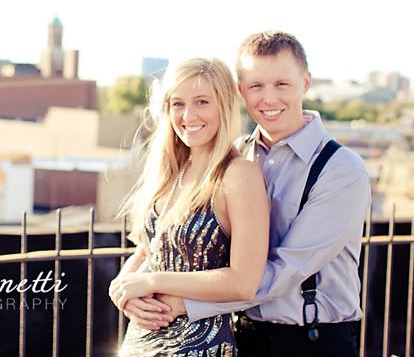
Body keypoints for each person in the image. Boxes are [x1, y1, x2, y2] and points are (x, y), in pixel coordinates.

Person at [128, 31, 371, 357]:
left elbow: (282, 272)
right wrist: (129, 290)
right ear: (241, 91)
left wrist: (176, 302)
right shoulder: (235, 155)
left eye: (281, 84)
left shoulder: (341, 170)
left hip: (311, 341)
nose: (268, 99)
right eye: (256, 86)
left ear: (306, 83)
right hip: (243, 333)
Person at [108, 57, 270, 356]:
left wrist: (152, 281)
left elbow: (243, 282)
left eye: (202, 102)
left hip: (199, 346)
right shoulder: (172, 170)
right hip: (139, 343)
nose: (188, 115)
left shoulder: (238, 174)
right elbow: (148, 250)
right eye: (177, 103)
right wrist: (121, 290)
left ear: (224, 105)